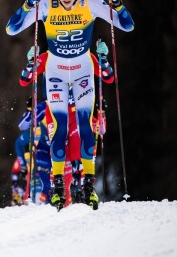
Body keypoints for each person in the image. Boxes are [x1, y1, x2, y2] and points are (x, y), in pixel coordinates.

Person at [6, 0, 134, 211]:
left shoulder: (89, 2)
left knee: (87, 126)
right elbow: (11, 29)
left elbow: (127, 25)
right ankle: (57, 188)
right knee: (59, 128)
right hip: (55, 71)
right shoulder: (47, 4)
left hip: (83, 69)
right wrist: (26, 5)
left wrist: (117, 3)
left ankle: (88, 186)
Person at [21, 40, 114, 205]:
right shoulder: (49, 56)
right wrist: (31, 62)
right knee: (59, 151)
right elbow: (25, 79)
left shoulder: (84, 55)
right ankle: (57, 191)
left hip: (76, 111)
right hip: (55, 110)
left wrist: (103, 59)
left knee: (78, 150)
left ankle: (83, 187)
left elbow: (108, 76)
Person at [12, 97, 52, 206]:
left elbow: (18, 144)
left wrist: (23, 166)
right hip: (36, 165)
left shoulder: (38, 128)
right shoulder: (33, 130)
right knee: (36, 196)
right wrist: (23, 166)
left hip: (46, 163)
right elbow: (18, 144)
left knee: (43, 196)